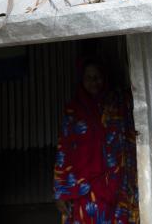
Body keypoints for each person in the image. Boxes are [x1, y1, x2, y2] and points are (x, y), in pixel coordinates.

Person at [54, 59, 139, 224]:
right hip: (85, 187)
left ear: (105, 78)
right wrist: (60, 191)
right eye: (89, 77)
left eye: (98, 77)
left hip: (118, 184)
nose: (94, 82)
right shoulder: (74, 111)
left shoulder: (119, 104)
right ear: (82, 80)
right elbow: (63, 150)